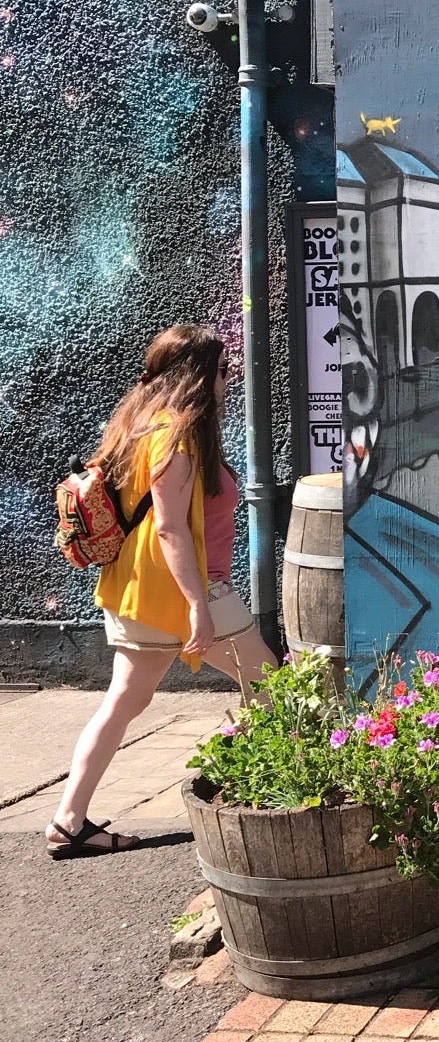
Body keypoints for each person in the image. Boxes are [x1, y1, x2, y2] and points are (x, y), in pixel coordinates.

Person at [45, 324, 277, 858]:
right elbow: (170, 529)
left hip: (134, 589)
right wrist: (197, 606)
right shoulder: (177, 437)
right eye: (223, 369)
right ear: (200, 374)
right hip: (183, 590)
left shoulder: (138, 423)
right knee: (273, 685)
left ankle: (67, 821)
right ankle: (251, 786)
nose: (228, 378)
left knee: (123, 702)